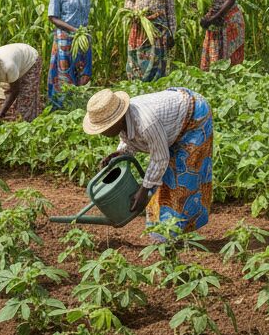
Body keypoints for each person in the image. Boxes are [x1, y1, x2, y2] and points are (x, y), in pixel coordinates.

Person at [82, 86, 213, 234]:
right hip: (171, 119)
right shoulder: (125, 121)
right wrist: (120, 153)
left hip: (194, 116)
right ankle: (162, 233)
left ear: (116, 121)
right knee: (161, 182)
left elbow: (160, 158)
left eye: (104, 128)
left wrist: (143, 190)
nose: (103, 133)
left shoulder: (146, 122)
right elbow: (131, 139)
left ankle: (180, 234)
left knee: (184, 180)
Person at [47, 0, 110, 105]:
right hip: (65, 38)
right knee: (64, 73)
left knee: (83, 71)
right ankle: (62, 106)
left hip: (83, 37)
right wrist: (73, 30)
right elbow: (53, 17)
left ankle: (80, 103)